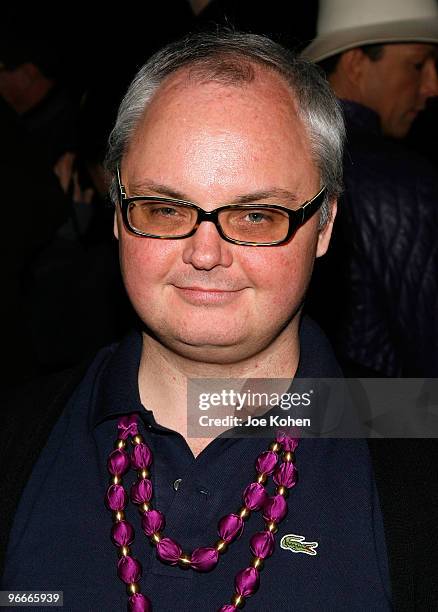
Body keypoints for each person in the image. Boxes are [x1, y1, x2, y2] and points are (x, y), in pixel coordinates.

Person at [1, 32, 437, 611]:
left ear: (325, 223)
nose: (206, 253)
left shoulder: (418, 447)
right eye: (165, 208)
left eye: (256, 215)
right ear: (117, 212)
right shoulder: (17, 437)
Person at [302, 0, 438, 376]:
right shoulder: (403, 178)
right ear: (357, 63)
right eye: (416, 64)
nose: (432, 86)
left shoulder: (288, 157)